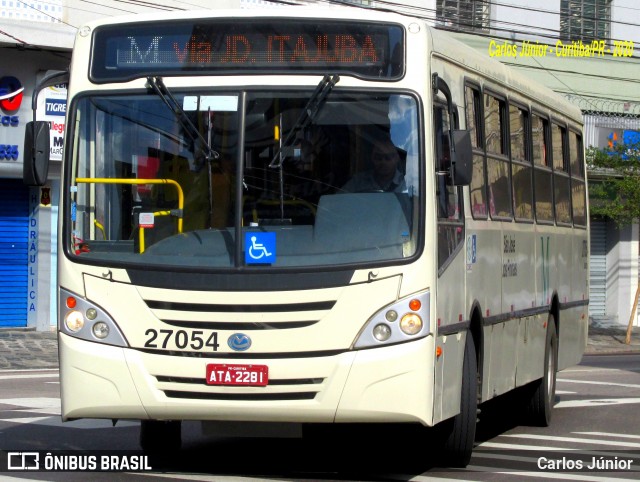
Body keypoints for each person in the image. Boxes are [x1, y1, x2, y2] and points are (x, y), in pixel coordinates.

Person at [341, 137, 407, 193]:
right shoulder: (358, 182)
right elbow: (340, 200)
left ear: (396, 158)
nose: (383, 162)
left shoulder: (405, 184)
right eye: (378, 157)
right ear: (371, 158)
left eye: (388, 158)